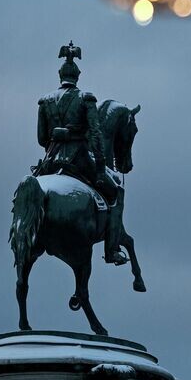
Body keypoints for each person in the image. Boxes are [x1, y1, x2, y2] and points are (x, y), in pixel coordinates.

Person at [34, 42, 126, 265]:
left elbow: (41, 138)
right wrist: (101, 164)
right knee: (116, 193)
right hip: (79, 159)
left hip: (51, 162)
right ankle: (112, 250)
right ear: (77, 76)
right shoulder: (86, 99)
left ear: (60, 75)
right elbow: (95, 133)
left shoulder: (45, 101)